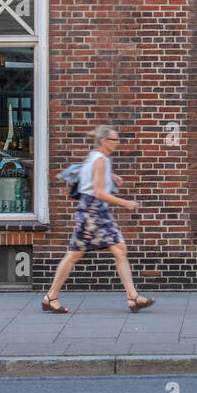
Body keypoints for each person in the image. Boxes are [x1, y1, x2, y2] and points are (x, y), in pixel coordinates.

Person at [42, 125, 155, 314]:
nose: (117, 143)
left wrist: (111, 176)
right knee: (74, 255)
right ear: (105, 141)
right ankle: (51, 296)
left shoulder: (96, 156)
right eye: (114, 140)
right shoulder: (100, 160)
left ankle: (133, 297)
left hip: (93, 211)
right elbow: (100, 192)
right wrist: (125, 203)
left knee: (119, 249)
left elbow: (91, 172)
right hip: (93, 213)